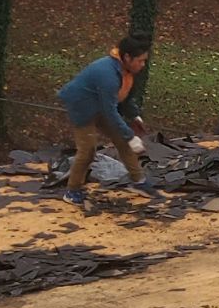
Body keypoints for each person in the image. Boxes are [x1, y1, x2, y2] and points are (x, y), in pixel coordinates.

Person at [58, 34, 151, 201]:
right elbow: (110, 111)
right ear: (127, 57)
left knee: (122, 140)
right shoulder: (107, 75)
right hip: (82, 107)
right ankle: (72, 191)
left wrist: (134, 116)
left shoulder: (126, 71)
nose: (143, 65)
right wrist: (131, 136)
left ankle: (139, 181)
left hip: (101, 103)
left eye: (145, 60)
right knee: (87, 151)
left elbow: (126, 97)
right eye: (140, 60)